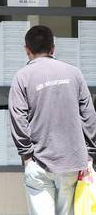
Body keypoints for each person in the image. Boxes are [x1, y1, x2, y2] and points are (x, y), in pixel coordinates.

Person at [9, 25, 96, 215]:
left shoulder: (21, 77)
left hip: (38, 162)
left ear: (27, 50)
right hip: (72, 162)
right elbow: (89, 115)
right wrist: (89, 154)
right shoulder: (74, 73)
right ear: (53, 48)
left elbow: (18, 118)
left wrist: (27, 157)